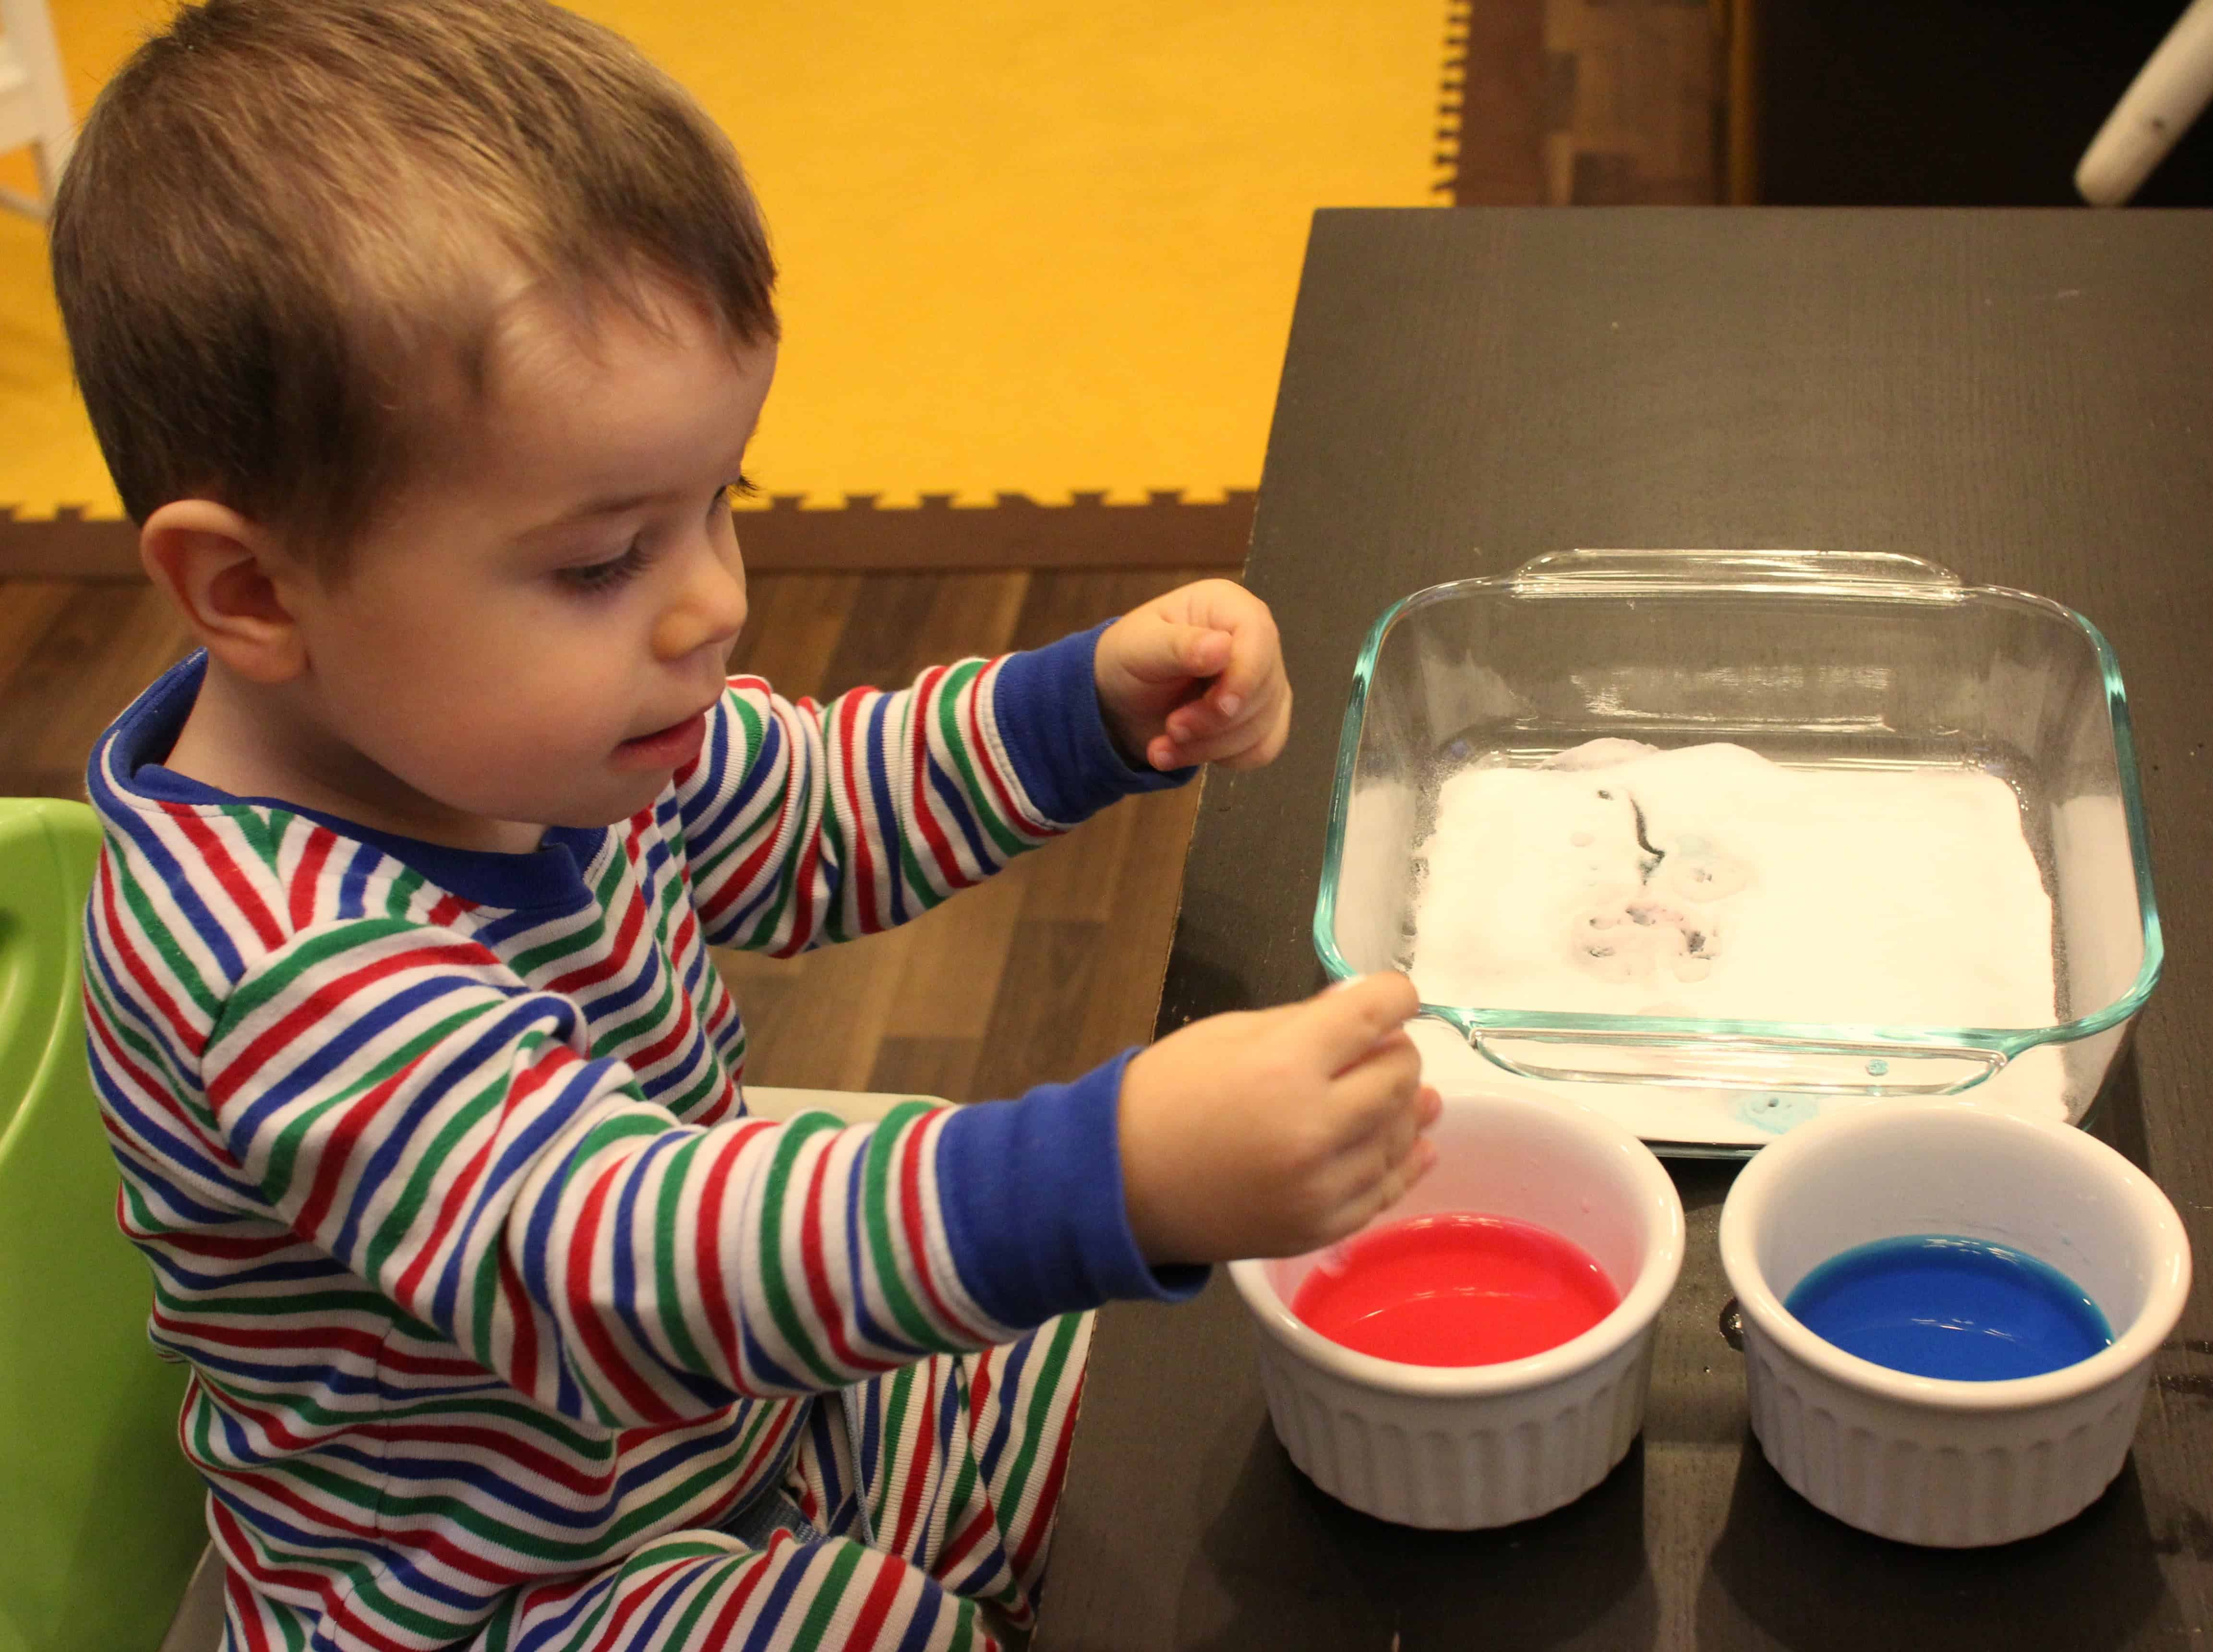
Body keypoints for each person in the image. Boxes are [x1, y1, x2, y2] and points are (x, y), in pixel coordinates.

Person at [50, 2, 1440, 1646]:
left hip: (736, 1429)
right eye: (600, 560)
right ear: (253, 588)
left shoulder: (537, 737)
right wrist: (1112, 1172)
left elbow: (811, 811)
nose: (712, 601)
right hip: (506, 1596)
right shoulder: (272, 964)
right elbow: (611, 1260)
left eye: (725, 501)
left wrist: (1086, 712)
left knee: (1139, 1392)